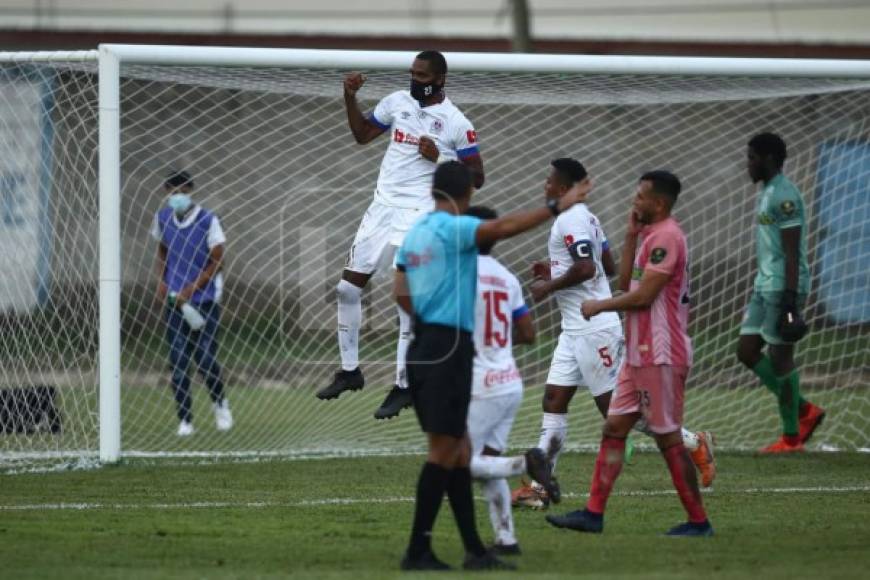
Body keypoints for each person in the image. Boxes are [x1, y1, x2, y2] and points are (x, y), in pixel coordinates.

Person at [394, 161, 583, 571]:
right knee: (444, 452)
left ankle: (476, 552)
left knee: (460, 453)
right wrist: (556, 207)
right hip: (451, 348)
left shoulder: (416, 233)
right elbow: (501, 229)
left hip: (426, 344)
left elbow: (400, 293)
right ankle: (417, 551)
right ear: (466, 196)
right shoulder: (452, 227)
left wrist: (428, 319)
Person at [512, 159, 715, 510]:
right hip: (574, 329)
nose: (545, 185)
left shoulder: (570, 218)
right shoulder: (588, 218)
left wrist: (549, 285)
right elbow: (604, 266)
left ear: (562, 188)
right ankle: (540, 486)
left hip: (594, 330)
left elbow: (588, 267)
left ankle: (692, 441)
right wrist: (557, 270)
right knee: (553, 401)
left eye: (549, 181)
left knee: (616, 413)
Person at [317, 50, 485, 422]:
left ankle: (403, 385)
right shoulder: (397, 102)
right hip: (381, 208)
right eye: (412, 74)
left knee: (404, 299)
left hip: (419, 214)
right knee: (347, 289)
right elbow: (362, 135)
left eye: (422, 76)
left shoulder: (456, 123)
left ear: (439, 79)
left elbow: (477, 178)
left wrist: (439, 159)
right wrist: (349, 96)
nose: (415, 81)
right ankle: (350, 372)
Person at [465, 205, 548, 556]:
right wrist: (495, 341)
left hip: (479, 384)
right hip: (509, 381)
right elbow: (529, 333)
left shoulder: (459, 274)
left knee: (459, 464)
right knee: (487, 464)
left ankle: (524, 465)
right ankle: (507, 539)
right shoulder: (506, 276)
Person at [736, 133, 825, 453]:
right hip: (764, 284)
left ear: (768, 159)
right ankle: (804, 410)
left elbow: (792, 250)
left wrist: (790, 297)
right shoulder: (768, 191)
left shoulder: (785, 196)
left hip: (783, 286)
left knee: (780, 357)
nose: (748, 164)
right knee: (746, 350)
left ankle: (791, 438)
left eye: (751, 158)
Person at [152, 170, 233, 437]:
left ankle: (221, 406)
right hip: (175, 303)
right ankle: (185, 420)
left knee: (206, 358)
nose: (176, 197)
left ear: (190, 191)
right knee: (177, 361)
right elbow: (163, 249)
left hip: (204, 301)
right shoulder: (163, 218)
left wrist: (192, 288)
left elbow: (217, 260)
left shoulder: (208, 220)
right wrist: (162, 281)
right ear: (166, 193)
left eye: (182, 192)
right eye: (172, 192)